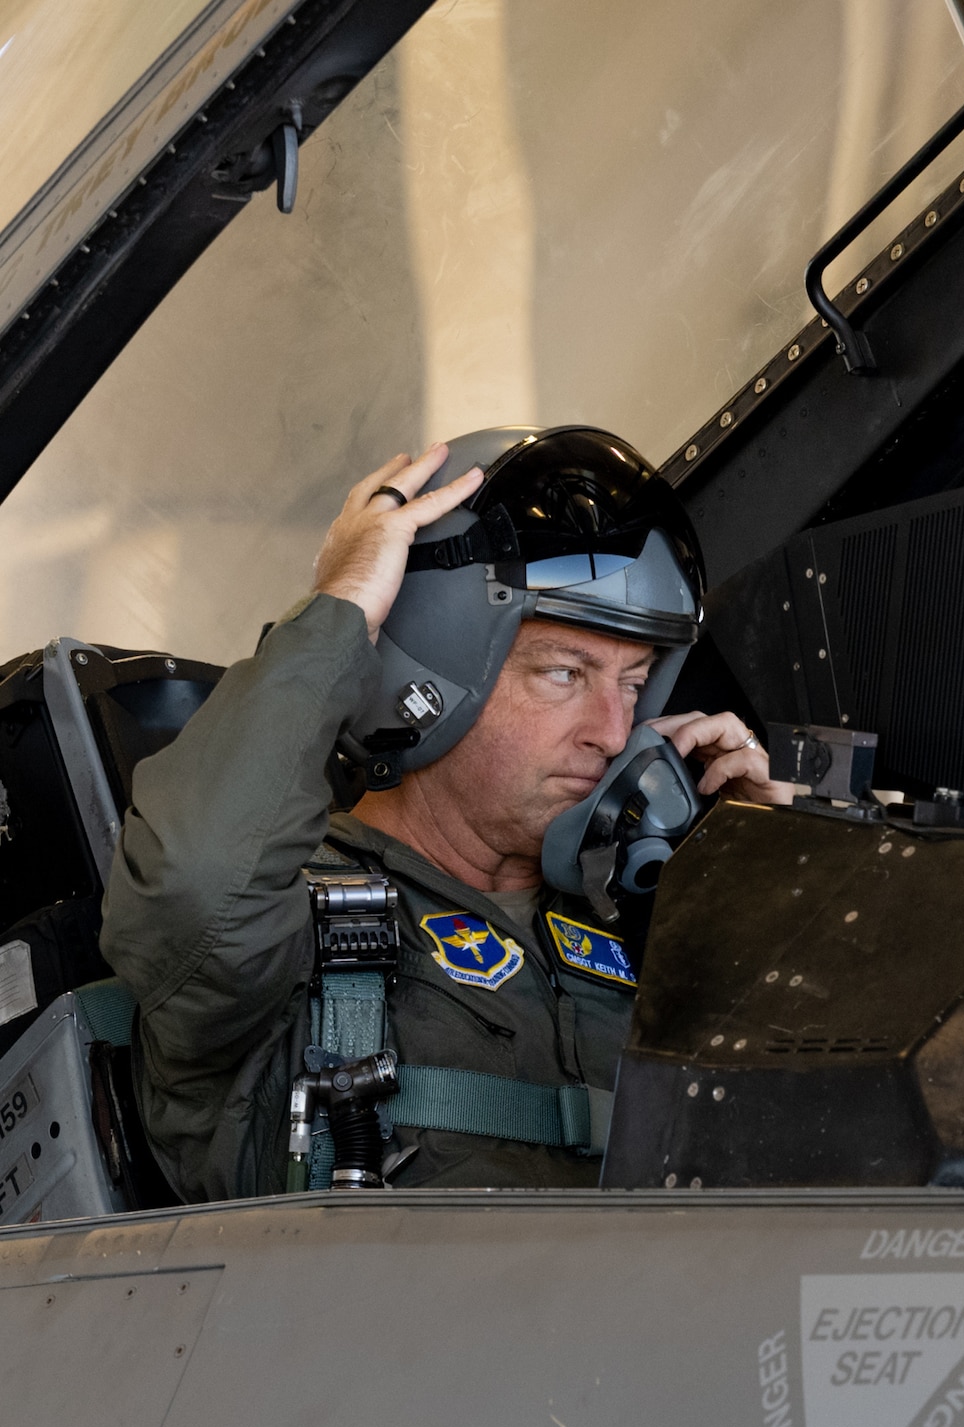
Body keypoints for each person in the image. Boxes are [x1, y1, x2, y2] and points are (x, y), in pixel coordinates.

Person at [101, 427, 790, 1200]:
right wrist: (343, 610)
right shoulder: (277, 930)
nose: (611, 731)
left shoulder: (640, 917)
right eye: (565, 673)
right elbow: (195, 882)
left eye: (633, 686)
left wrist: (760, 880)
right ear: (424, 678)